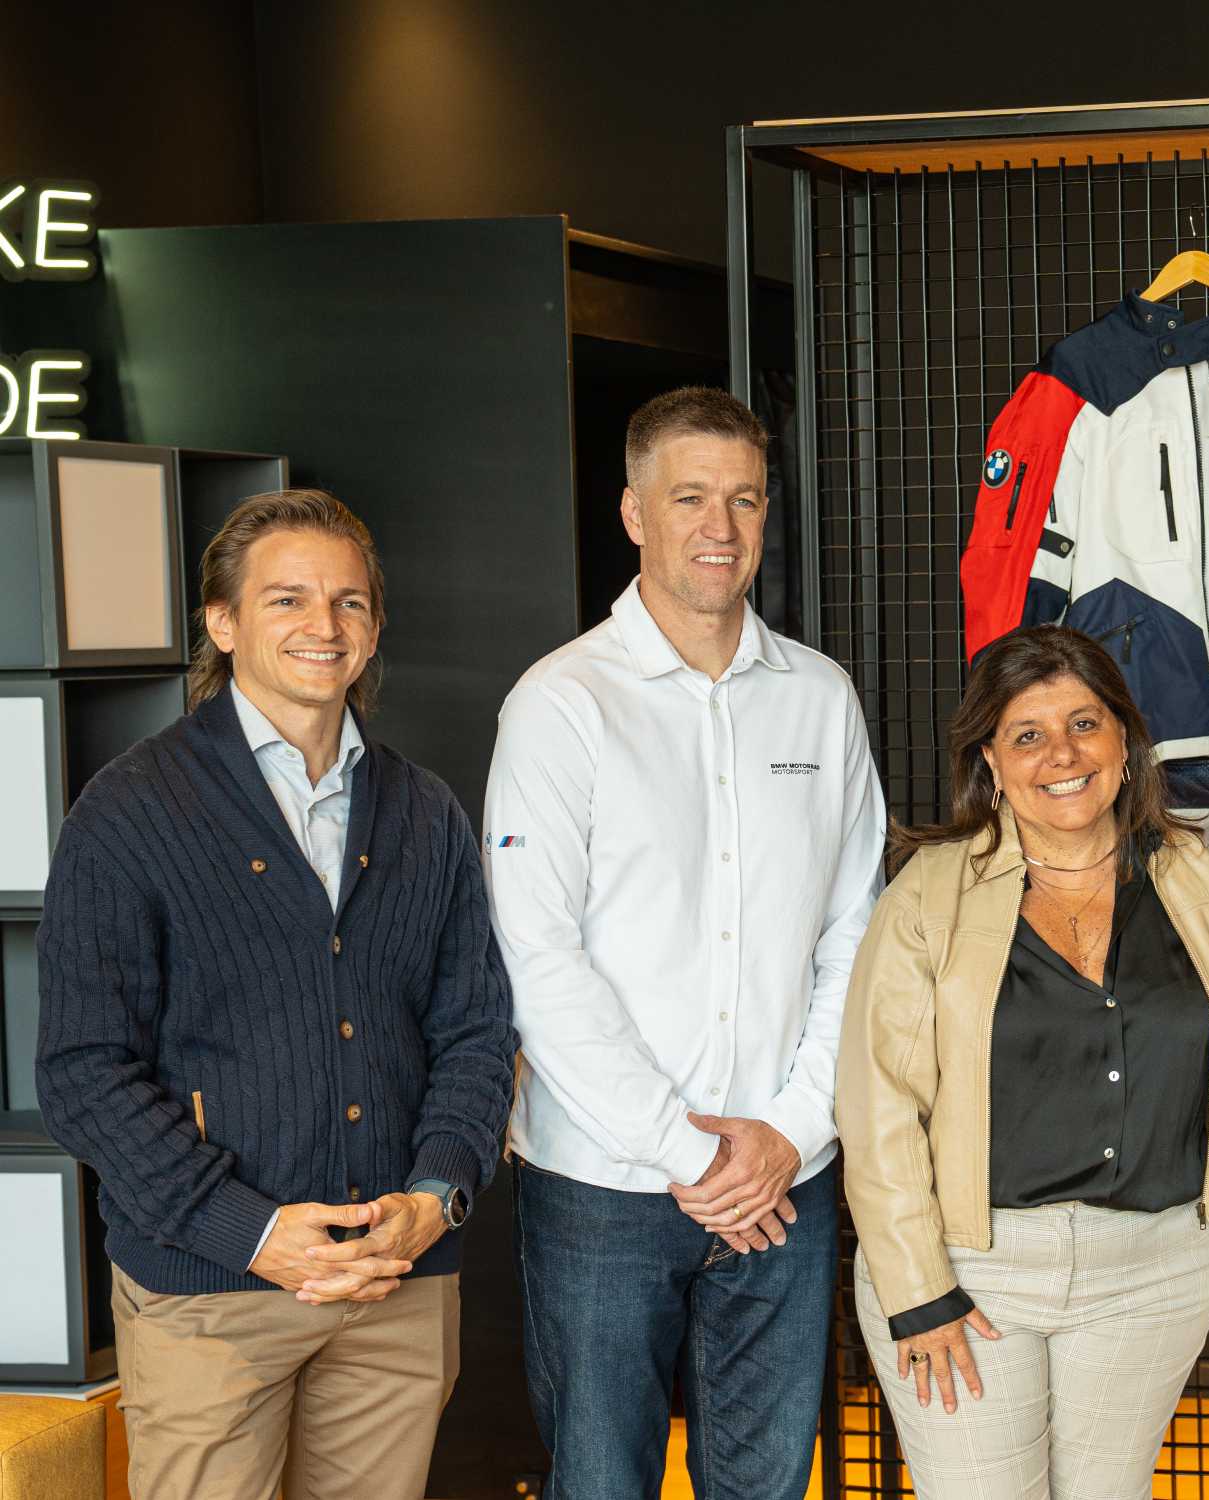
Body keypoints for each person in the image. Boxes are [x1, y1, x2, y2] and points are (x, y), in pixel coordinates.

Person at [36, 490, 518, 1500]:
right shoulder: (130, 809)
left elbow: (475, 1031)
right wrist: (248, 1232)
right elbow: (84, 1070)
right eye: (287, 599)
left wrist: (434, 1199)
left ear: (374, 629)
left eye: (349, 602)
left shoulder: (425, 811)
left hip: (395, 1283)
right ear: (223, 622)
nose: (323, 625)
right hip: (211, 1297)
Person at [484, 388, 885, 1498]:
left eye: (744, 499)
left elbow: (857, 934)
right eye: (690, 498)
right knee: (602, 1483)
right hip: (603, 1185)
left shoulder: (820, 699)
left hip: (786, 1181)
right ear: (633, 513)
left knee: (764, 1487)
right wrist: (688, 1151)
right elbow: (536, 958)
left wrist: (791, 1129)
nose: (721, 526)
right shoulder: (561, 703)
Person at [837, 624, 1209, 1498]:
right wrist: (917, 1290)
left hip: (1154, 1274)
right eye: (1027, 735)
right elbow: (878, 1105)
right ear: (991, 762)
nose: (1062, 755)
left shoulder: (1196, 877)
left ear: (1124, 739)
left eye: (1084, 724)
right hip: (971, 1271)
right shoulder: (930, 893)